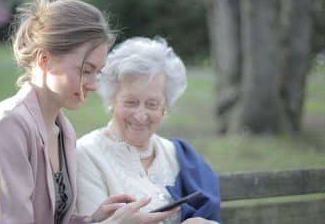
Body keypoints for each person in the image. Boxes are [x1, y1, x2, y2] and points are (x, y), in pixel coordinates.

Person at [0, 0, 177, 224]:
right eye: (85, 70)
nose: (92, 85)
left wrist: (94, 219)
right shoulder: (7, 128)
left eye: (97, 72)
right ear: (44, 60)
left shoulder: (63, 130)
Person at [75, 37, 221, 224]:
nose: (141, 115)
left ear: (165, 107)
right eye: (131, 102)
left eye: (152, 104)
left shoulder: (178, 155)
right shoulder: (88, 154)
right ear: (112, 100)